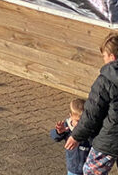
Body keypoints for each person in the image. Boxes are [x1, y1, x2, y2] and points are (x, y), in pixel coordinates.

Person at [67, 34, 118, 173]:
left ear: (112, 57)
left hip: (110, 138)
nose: (104, 60)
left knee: (91, 171)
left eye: (104, 56)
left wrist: (77, 135)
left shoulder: (105, 80)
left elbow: (92, 113)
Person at [52, 97, 90, 175]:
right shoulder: (67, 126)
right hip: (74, 168)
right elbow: (55, 137)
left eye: (83, 121)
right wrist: (59, 132)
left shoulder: (90, 127)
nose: (80, 124)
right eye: (78, 121)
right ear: (70, 116)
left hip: (89, 166)